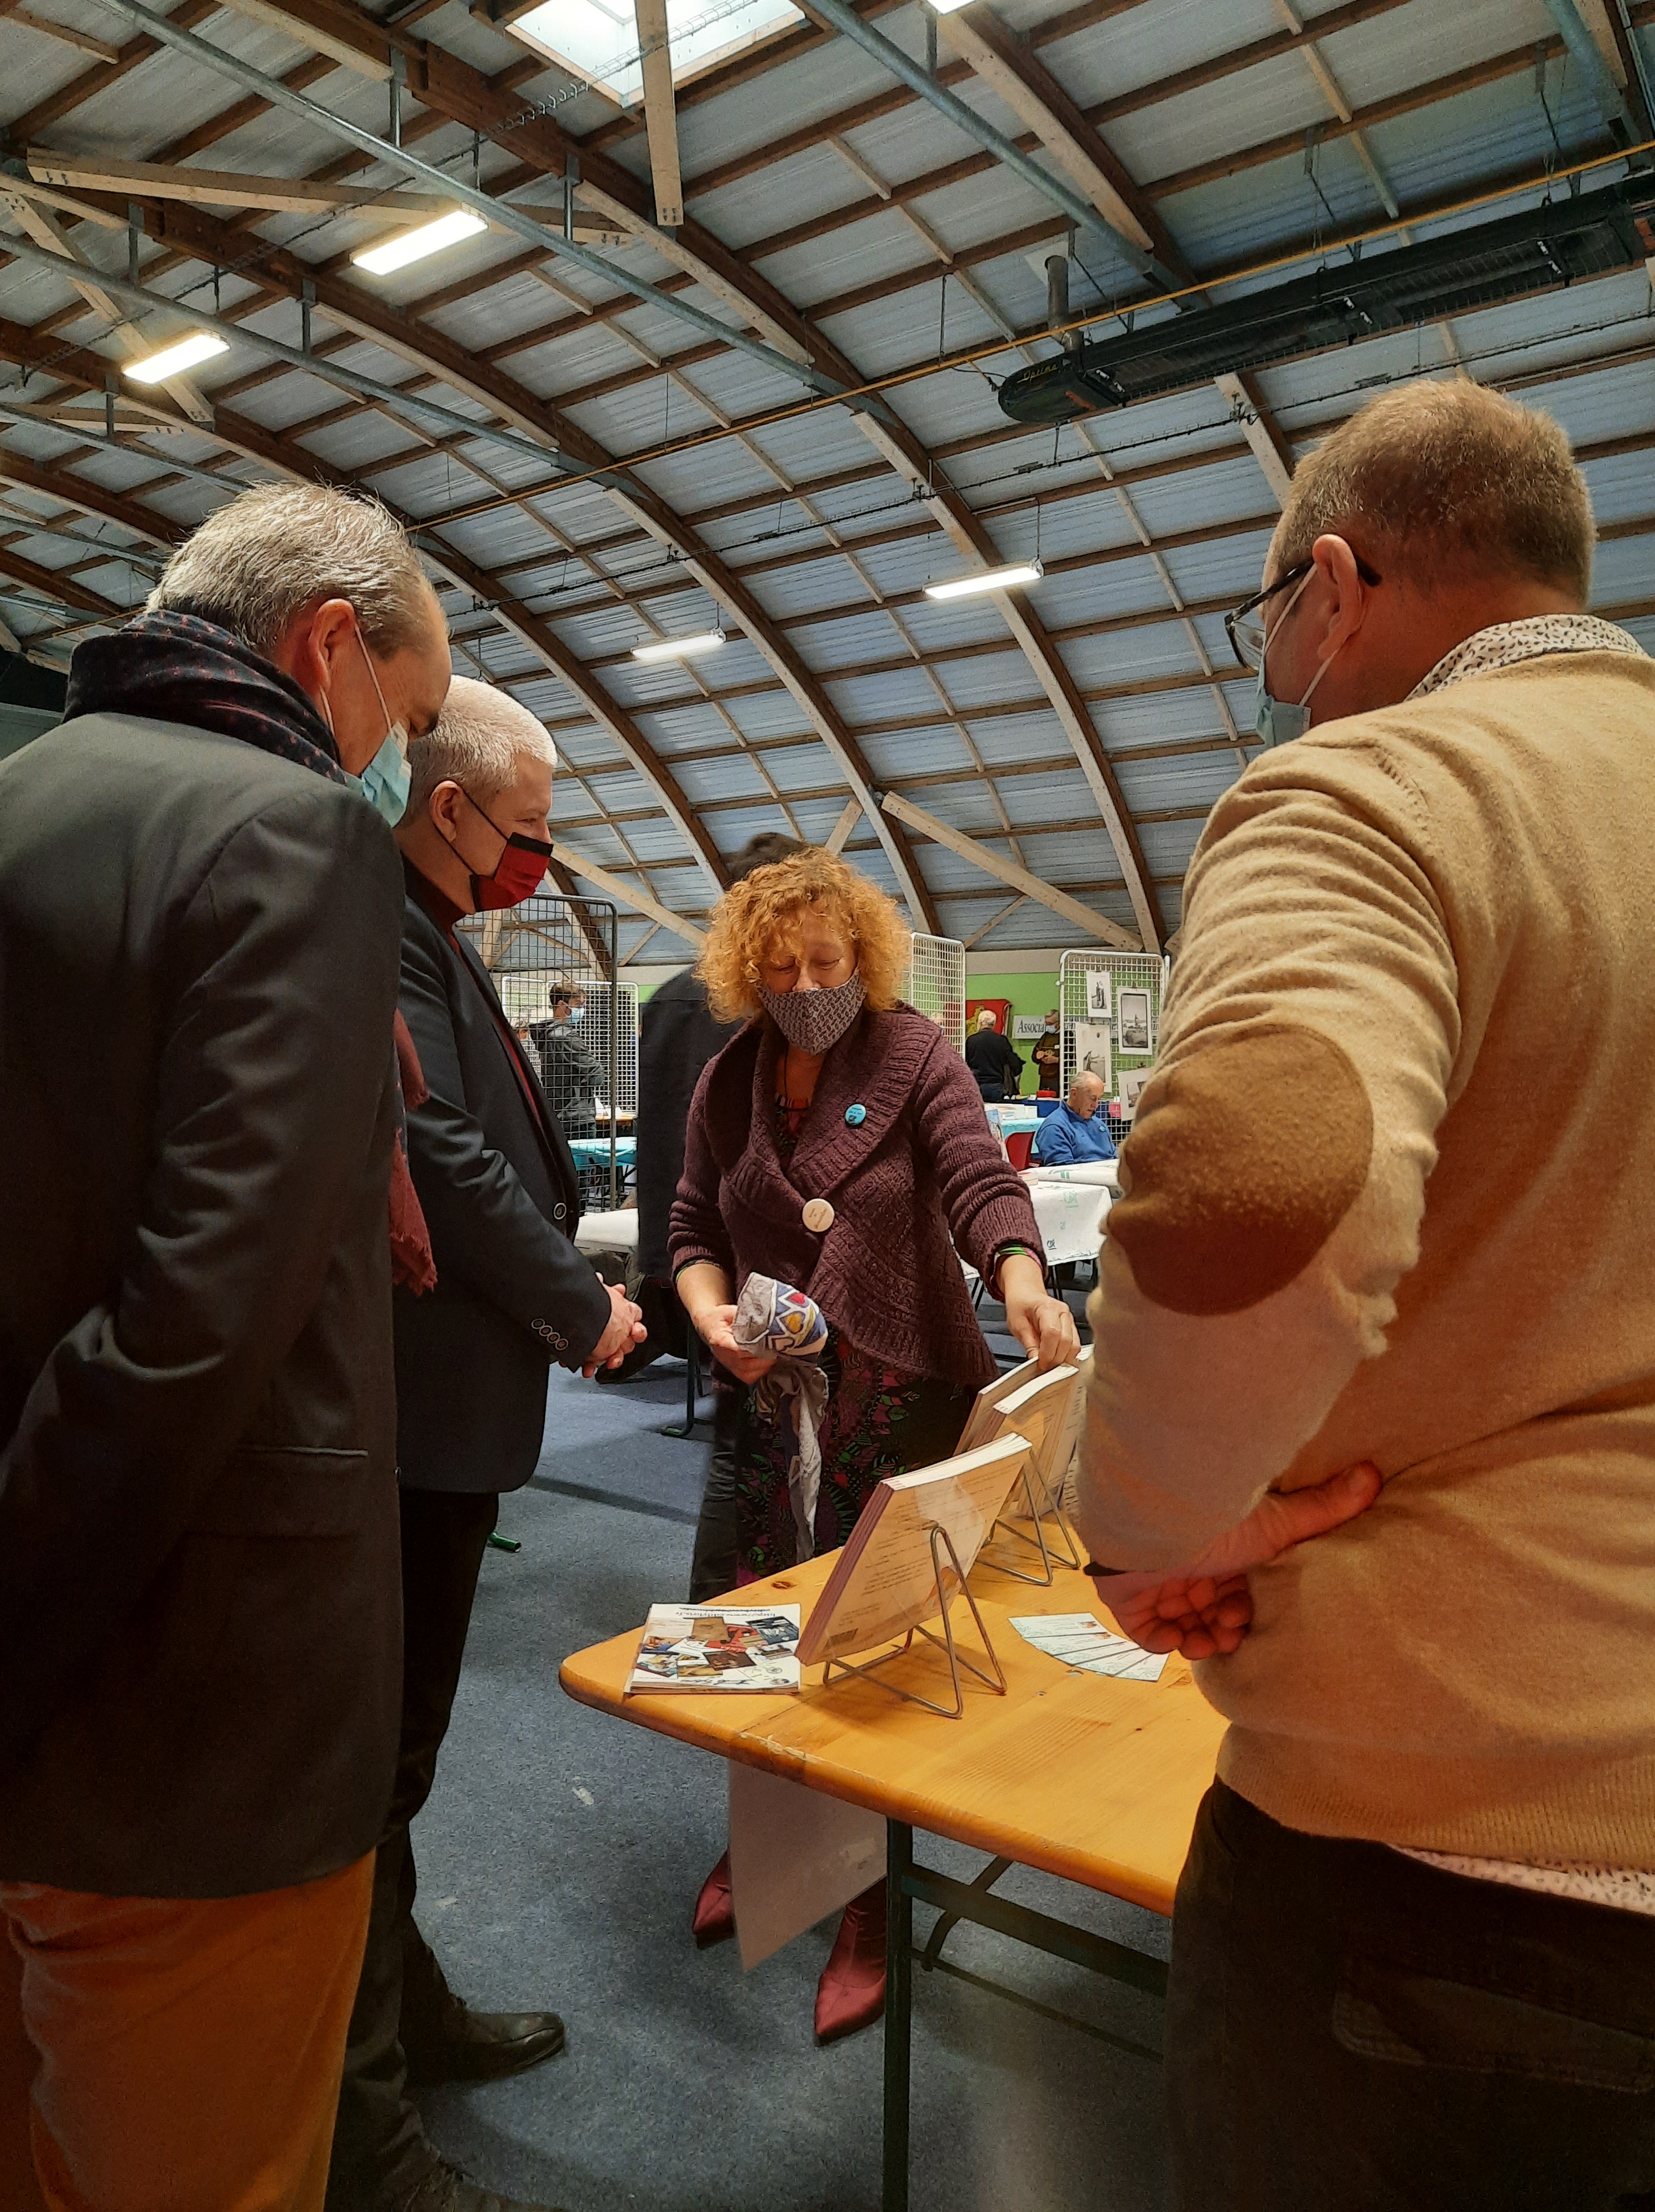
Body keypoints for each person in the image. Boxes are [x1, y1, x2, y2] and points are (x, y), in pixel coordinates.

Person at [1074, 380, 1655, 2211]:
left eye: (1272, 624)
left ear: (1331, 587)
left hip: (1450, 1875)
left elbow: (1258, 1184)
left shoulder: (1382, 792)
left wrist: (1145, 1524)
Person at [0, 484, 452, 2211]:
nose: (401, 764)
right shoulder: (295, 831)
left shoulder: (26, 796)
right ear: (331, 645)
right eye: (411, 718)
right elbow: (195, 1326)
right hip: (187, 1726)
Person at [670, 849, 1079, 2043]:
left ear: (864, 954)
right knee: (748, 1625)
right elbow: (692, 1225)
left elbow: (977, 1182)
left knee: (874, 1647)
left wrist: (1021, 1280)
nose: (806, 985)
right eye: (780, 967)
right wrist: (710, 1319)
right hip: (770, 1404)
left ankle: (863, 1899)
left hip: (895, 1403)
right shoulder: (729, 1079)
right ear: (747, 971)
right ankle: (764, 1842)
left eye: (826, 961)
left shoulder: (915, 1054)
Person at [329, 680, 643, 2212]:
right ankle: (364, 2116)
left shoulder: (429, 926)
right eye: (528, 828)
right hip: (414, 1412)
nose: (542, 857)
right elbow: (441, 1153)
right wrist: (580, 1303)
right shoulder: (385, 922)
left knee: (401, 1760)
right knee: (377, 1771)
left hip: (444, 1408)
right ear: (446, 808)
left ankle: (405, 2017)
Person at [626, 832, 806, 1599]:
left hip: (693, 1247)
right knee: (753, 1446)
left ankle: (726, 1602)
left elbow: (657, 1137)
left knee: (741, 1441)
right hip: (756, 1249)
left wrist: (662, 1259)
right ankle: (726, 1607)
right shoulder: (762, 1004)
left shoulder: (672, 997)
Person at [532, 981, 602, 1141]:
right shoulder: (566, 1037)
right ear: (562, 1005)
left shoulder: (546, 1035)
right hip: (576, 1116)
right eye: (578, 1004)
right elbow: (596, 1074)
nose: (582, 1009)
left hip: (558, 1111)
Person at [1033, 1073, 1117, 1166]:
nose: (1096, 1105)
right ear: (1074, 1094)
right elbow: (1063, 1171)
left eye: (1099, 1099)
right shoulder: (1055, 1127)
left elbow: (1115, 1158)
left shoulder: (1100, 1125)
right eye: (1092, 1099)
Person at [964, 1005, 1023, 1100]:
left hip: (976, 1085)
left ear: (979, 1023)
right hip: (996, 1086)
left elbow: (964, 1063)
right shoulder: (1002, 1041)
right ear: (994, 1024)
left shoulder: (971, 1041)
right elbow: (1015, 1065)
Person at [1031, 1011, 1062, 1093]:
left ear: (1059, 1023)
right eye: (1047, 1024)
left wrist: (1057, 1060)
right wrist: (1038, 1056)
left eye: (1051, 1024)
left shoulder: (1067, 1036)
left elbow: (1073, 1060)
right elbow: (1034, 1055)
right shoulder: (1045, 1036)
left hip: (1059, 1078)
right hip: (1044, 1078)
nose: (1048, 1026)